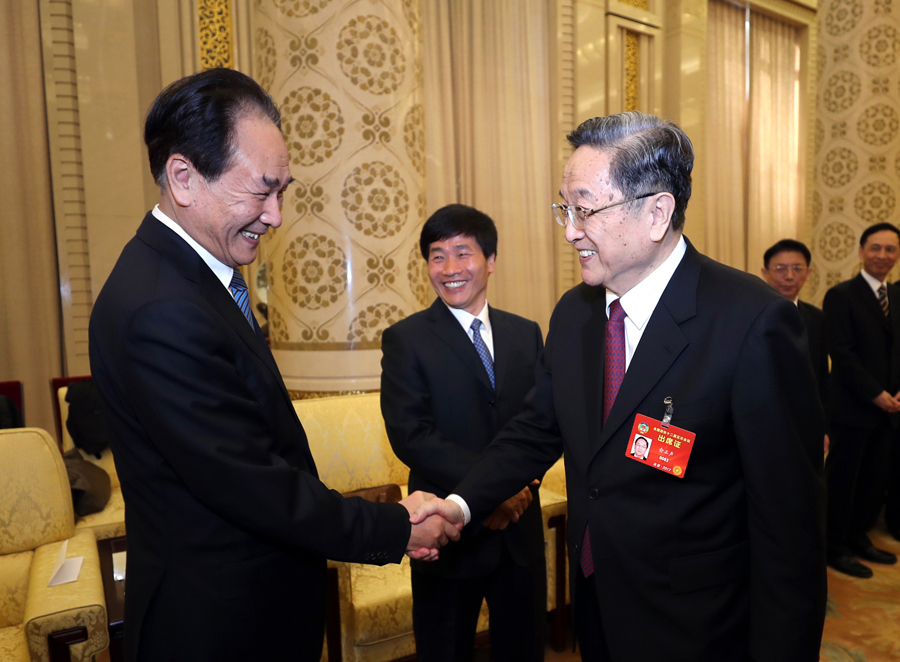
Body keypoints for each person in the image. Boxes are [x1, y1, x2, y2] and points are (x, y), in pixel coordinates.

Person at [413, 112, 826, 662]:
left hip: (698, 623)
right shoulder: (576, 313)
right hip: (599, 604)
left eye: (585, 210)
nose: (569, 231)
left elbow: (788, 526)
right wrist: (460, 505)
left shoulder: (752, 321)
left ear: (657, 213)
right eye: (564, 209)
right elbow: (536, 429)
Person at [88, 68, 459, 662]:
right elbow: (252, 484)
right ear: (183, 178)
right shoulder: (162, 308)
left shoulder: (191, 282)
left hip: (249, 611)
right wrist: (395, 527)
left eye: (282, 191)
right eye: (261, 192)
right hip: (217, 627)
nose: (276, 215)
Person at [381, 204, 547, 662]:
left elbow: (542, 421)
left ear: (490, 260)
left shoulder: (526, 333)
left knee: (524, 649)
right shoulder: (406, 339)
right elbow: (411, 435)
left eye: (462, 253)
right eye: (437, 256)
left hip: (519, 532)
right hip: (448, 536)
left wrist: (518, 486)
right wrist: (495, 490)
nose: (449, 268)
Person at [823, 222, 900, 578]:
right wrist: (876, 394)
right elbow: (842, 352)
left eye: (890, 249)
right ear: (861, 251)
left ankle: (859, 538)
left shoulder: (896, 295)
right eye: (876, 248)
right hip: (853, 408)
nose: (882, 255)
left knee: (872, 482)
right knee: (843, 482)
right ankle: (835, 547)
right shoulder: (841, 295)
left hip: (889, 411)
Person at [761, 239, 829, 451]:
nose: (789, 276)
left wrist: (824, 427)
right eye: (780, 269)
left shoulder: (817, 318)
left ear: (808, 274)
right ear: (765, 272)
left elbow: (820, 375)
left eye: (797, 269)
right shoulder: (749, 314)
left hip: (805, 421)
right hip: (761, 418)